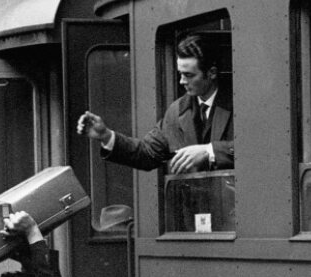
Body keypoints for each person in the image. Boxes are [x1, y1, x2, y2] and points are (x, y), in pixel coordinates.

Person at [77, 33, 233, 174]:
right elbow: (148, 152)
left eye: (189, 75)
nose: (182, 81)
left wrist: (209, 151)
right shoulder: (177, 111)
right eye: (180, 74)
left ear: (212, 73)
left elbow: (248, 147)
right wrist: (106, 136)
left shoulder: (239, 103)